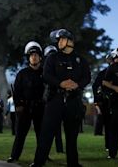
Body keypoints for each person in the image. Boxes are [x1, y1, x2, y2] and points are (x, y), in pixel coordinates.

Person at [31, 29, 91, 167]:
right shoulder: (52, 58)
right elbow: (46, 75)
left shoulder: (80, 60)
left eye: (61, 39)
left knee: (72, 136)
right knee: (46, 134)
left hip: (73, 101)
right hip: (55, 100)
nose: (59, 43)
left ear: (70, 41)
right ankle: (38, 162)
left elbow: (87, 77)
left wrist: (77, 84)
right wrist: (60, 83)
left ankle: (73, 163)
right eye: (58, 40)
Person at [7, 41, 45, 163]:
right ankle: (14, 156)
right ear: (28, 58)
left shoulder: (45, 73)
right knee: (20, 134)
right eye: (31, 55)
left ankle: (42, 157)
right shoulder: (22, 74)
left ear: (40, 57)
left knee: (41, 135)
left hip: (41, 108)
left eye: (36, 55)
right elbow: (16, 92)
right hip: (25, 108)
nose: (33, 57)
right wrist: (18, 105)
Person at [92, 50, 118, 151]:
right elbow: (95, 86)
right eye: (115, 60)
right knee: (108, 125)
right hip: (107, 102)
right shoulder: (103, 73)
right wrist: (97, 101)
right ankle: (109, 145)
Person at [43, 45, 64, 154]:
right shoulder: (44, 70)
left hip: (55, 99)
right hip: (47, 100)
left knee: (56, 128)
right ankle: (45, 153)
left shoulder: (58, 70)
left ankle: (58, 149)